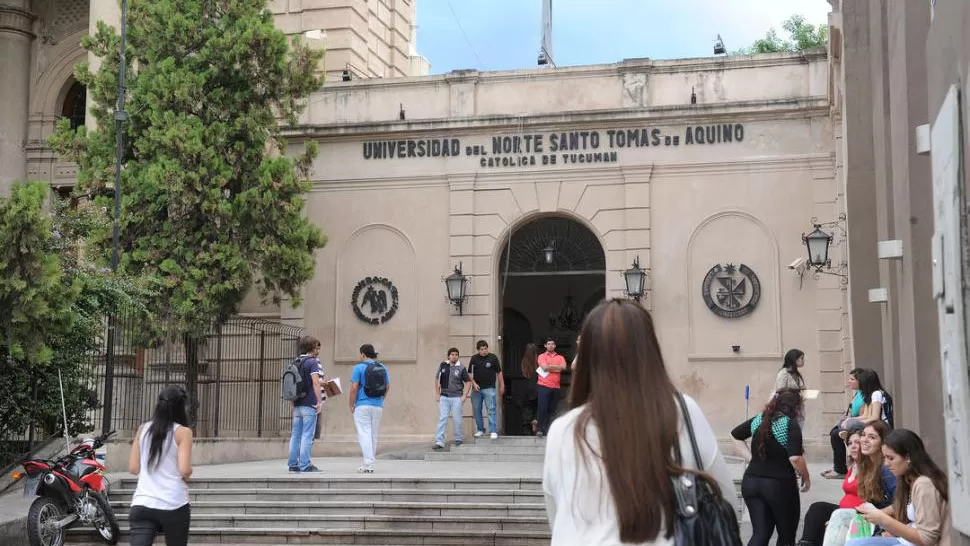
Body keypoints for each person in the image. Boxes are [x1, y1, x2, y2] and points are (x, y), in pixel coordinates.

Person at [543, 299, 736, 545]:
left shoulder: (564, 429)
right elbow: (725, 498)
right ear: (650, 350)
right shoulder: (681, 411)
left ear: (588, 357)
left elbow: (557, 514)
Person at [732, 389, 810, 546]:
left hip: (751, 482)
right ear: (796, 407)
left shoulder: (759, 419)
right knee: (786, 535)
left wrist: (752, 458)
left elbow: (735, 435)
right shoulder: (789, 424)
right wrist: (806, 477)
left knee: (761, 533)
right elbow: (795, 458)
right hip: (778, 486)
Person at [848, 429, 950, 546]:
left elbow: (927, 539)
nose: (886, 463)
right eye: (885, 458)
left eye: (891, 458)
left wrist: (883, 520)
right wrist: (877, 517)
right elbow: (900, 513)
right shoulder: (906, 479)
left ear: (908, 457)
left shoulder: (924, 485)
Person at [798, 424, 896, 546]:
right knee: (819, 510)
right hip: (864, 515)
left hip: (881, 522)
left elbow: (902, 503)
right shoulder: (866, 466)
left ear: (883, 442)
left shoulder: (885, 469)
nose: (863, 440)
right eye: (863, 435)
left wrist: (849, 518)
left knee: (833, 518)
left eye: (871, 437)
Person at [127, 385, 193, 546]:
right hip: (174, 504)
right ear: (181, 408)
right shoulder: (183, 432)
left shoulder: (143, 429)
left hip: (142, 503)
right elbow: (184, 469)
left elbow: (133, 468)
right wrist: (188, 474)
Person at [349, 344, 389, 473]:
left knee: (364, 433)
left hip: (362, 404)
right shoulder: (382, 367)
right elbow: (388, 386)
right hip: (378, 405)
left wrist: (351, 403)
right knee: (373, 434)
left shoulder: (358, 367)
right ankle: (369, 463)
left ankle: (368, 464)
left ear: (362, 354)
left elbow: (354, 388)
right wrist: (382, 399)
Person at [287, 335, 324, 473]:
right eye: (316, 347)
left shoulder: (295, 362)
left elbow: (290, 384)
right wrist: (319, 401)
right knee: (307, 435)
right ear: (312, 348)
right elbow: (315, 382)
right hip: (309, 403)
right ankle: (305, 464)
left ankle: (293, 464)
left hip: (297, 403)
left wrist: (292, 402)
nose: (317, 350)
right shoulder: (312, 362)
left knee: (295, 435)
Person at [822, 368, 866, 480]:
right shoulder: (857, 393)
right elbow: (850, 410)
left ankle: (840, 469)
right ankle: (838, 467)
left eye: (852, 379)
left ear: (860, 380)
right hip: (852, 421)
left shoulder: (865, 395)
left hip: (860, 425)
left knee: (836, 434)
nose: (849, 381)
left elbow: (863, 415)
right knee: (834, 432)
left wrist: (848, 421)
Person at [433, 347, 471, 450]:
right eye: (452, 354)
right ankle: (440, 441)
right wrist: (437, 394)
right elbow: (437, 380)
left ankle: (458, 438)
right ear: (448, 356)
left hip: (456, 397)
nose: (454, 356)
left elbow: (468, 382)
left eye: (456, 355)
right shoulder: (443, 365)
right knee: (443, 418)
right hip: (444, 397)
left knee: (457, 419)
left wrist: (464, 396)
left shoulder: (461, 367)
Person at [839, 369, 891, 439]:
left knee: (852, 424)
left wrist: (857, 422)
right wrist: (850, 419)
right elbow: (865, 415)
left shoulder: (877, 394)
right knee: (843, 422)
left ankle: (848, 433)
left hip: (881, 424)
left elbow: (875, 417)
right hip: (872, 422)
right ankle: (846, 433)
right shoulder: (869, 395)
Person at [468, 340, 504, 439]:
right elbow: (470, 374)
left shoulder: (493, 358)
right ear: (478, 350)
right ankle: (480, 429)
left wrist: (502, 385)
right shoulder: (474, 359)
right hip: (477, 389)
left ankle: (493, 430)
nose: (484, 351)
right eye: (481, 349)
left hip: (489, 388)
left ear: (487, 348)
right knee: (476, 409)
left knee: (491, 409)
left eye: (485, 349)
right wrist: (474, 384)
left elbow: (499, 373)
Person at [536, 337, 567, 437]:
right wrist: (556, 367)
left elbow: (563, 367)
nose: (550, 345)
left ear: (555, 345)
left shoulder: (560, 357)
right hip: (543, 386)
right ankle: (540, 429)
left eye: (552, 344)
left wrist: (549, 367)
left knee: (553, 410)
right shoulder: (541, 356)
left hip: (556, 387)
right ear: (545, 345)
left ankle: (549, 430)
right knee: (543, 408)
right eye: (548, 344)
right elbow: (544, 368)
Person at [517, 343, 540, 436]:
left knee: (526, 409)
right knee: (536, 407)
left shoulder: (524, 361)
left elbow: (522, 374)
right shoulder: (538, 360)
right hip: (537, 386)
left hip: (525, 388)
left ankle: (526, 428)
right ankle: (535, 423)